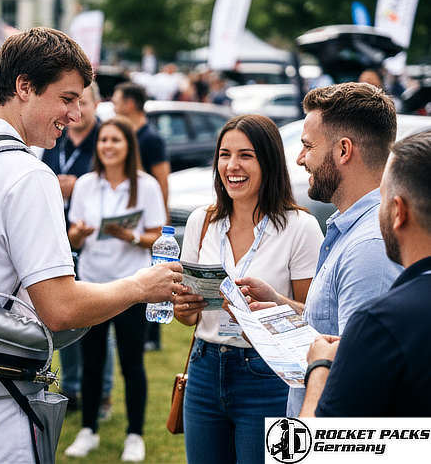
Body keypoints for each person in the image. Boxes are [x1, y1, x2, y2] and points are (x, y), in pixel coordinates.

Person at [0, 26, 182, 464]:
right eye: (67, 98)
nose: (76, 115)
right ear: (24, 87)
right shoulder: (26, 173)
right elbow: (60, 308)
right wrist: (140, 286)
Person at [234, 82, 403, 417]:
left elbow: (356, 378)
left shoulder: (369, 247)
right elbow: (335, 333)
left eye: (308, 146)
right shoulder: (352, 229)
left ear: (343, 151)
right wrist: (280, 307)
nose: (300, 159)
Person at [172, 114, 323, 464]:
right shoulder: (201, 221)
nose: (232, 166)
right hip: (205, 367)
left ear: (268, 162)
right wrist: (184, 309)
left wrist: (275, 301)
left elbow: (315, 319)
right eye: (224, 155)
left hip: (268, 374)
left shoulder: (300, 227)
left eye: (245, 155)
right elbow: (189, 318)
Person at [300, 130, 431, 417]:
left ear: (398, 211)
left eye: (381, 198)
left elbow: (312, 442)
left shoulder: (380, 323)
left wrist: (320, 367)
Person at [63, 116, 166, 462]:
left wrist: (131, 236)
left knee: (131, 363)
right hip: (92, 284)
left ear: (128, 146)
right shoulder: (86, 184)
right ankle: (88, 430)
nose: (108, 146)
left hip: (132, 286)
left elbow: (158, 235)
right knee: (91, 362)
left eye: (115, 140)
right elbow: (72, 237)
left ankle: (135, 435)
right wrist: (78, 234)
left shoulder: (146, 185)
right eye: (103, 140)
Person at [41, 82, 114, 413]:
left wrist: (79, 187)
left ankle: (102, 393)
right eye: (72, 101)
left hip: (96, 241)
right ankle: (71, 388)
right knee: (64, 319)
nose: (77, 110)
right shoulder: (56, 137)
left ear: (96, 105)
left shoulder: (107, 139)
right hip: (59, 236)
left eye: (84, 102)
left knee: (99, 323)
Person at [112, 81, 170, 351]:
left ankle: (152, 335)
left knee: (152, 271)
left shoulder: (151, 138)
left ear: (130, 104)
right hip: (132, 212)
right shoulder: (128, 134)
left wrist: (162, 217)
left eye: (117, 100)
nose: (113, 106)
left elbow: (162, 179)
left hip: (150, 214)